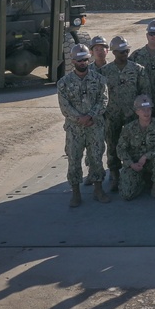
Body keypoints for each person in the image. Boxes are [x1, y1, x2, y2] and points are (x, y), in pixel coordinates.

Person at [57, 43, 110, 207]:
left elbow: (104, 99)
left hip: (94, 126)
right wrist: (79, 118)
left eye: (85, 59)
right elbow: (64, 106)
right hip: (74, 129)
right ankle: (75, 193)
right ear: (72, 61)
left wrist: (91, 116)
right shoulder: (64, 83)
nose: (82, 63)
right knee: (74, 160)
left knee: (96, 158)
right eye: (79, 60)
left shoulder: (99, 79)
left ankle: (98, 190)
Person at [100, 35, 150, 192]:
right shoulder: (104, 72)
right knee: (113, 146)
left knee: (133, 145)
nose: (124, 54)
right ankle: (115, 175)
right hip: (112, 115)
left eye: (126, 51)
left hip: (132, 116)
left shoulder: (137, 69)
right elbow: (100, 95)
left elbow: (145, 94)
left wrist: (142, 114)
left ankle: (135, 174)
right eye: (121, 51)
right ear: (113, 52)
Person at [117, 94, 155, 201]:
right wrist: (131, 164)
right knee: (126, 195)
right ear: (136, 111)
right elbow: (120, 149)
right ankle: (141, 181)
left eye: (148, 109)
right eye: (142, 109)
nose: (146, 112)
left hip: (152, 162)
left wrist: (146, 156)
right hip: (134, 164)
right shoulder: (128, 128)